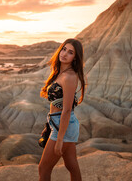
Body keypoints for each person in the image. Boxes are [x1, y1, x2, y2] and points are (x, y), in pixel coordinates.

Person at [38, 38, 85, 181]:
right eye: (64, 49)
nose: (64, 54)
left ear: (75, 58)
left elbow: (66, 110)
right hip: (59, 123)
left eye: (70, 52)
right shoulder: (60, 72)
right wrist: (50, 124)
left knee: (43, 169)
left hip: (63, 126)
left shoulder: (69, 76)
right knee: (72, 166)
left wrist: (59, 139)